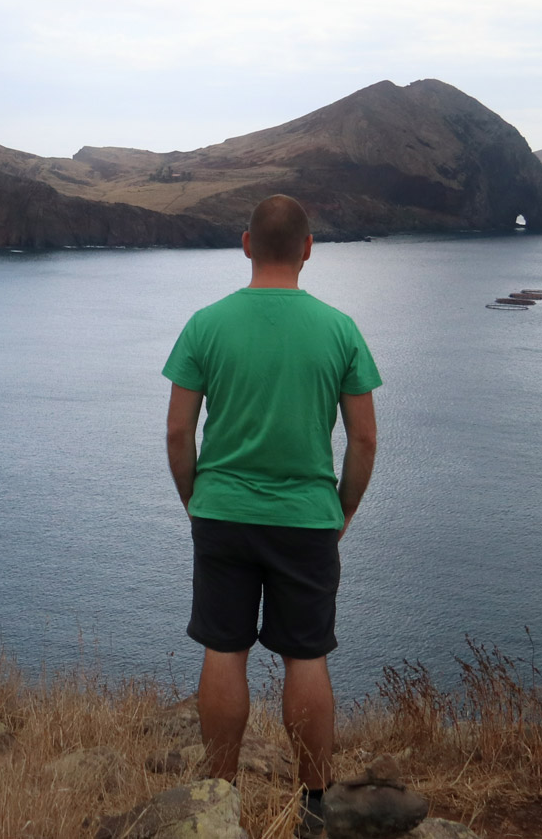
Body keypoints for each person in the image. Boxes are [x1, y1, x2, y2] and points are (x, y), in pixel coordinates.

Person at [162, 193, 380, 825]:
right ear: (309, 249)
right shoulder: (340, 329)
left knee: (224, 651)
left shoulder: (206, 323)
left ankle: (219, 802)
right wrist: (341, 513)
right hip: (307, 518)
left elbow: (179, 433)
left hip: (222, 512)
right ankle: (313, 808)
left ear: (246, 243)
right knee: (305, 656)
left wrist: (195, 498)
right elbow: (364, 439)